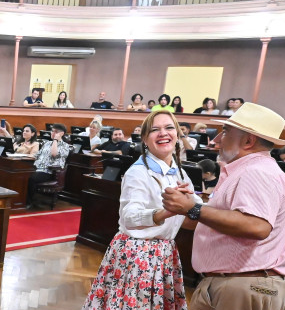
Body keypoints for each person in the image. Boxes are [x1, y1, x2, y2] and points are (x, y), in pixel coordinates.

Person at [161, 102, 285, 310]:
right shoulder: (245, 170)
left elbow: (257, 227)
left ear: (248, 140)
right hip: (232, 282)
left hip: (244, 283)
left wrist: (194, 209)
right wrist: (187, 208)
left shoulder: (257, 171)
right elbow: (220, 222)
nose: (216, 139)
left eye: (225, 131)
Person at [83, 109, 200, 310]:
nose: (163, 133)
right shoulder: (138, 172)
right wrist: (166, 211)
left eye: (169, 127)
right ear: (145, 139)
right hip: (139, 253)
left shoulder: (179, 172)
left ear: (178, 135)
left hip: (164, 252)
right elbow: (128, 217)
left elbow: (197, 208)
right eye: (155, 130)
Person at [26, 123, 71, 208]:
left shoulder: (65, 146)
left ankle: (28, 202)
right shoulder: (47, 143)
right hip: (36, 168)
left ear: (61, 134)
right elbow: (37, 155)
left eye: (55, 132)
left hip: (48, 172)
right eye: (52, 131)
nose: (52, 133)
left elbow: (54, 154)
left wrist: (55, 140)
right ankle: (19, 201)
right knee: (21, 176)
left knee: (31, 178)